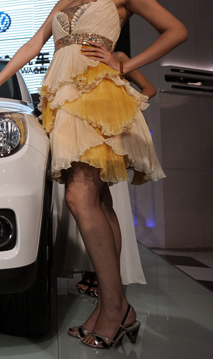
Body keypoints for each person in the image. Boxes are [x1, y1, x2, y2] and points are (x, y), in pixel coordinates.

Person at [0, 0, 187, 349]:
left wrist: (125, 64)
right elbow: (32, 45)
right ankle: (114, 305)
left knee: (81, 197)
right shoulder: (65, 0)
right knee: (96, 199)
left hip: (98, 97)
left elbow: (177, 30)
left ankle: (114, 308)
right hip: (63, 101)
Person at [54, 53, 156, 299]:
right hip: (76, 140)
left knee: (100, 205)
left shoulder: (117, 56)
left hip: (108, 141)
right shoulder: (71, 54)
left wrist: (121, 108)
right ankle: (94, 274)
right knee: (88, 205)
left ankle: (104, 281)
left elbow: (148, 89)